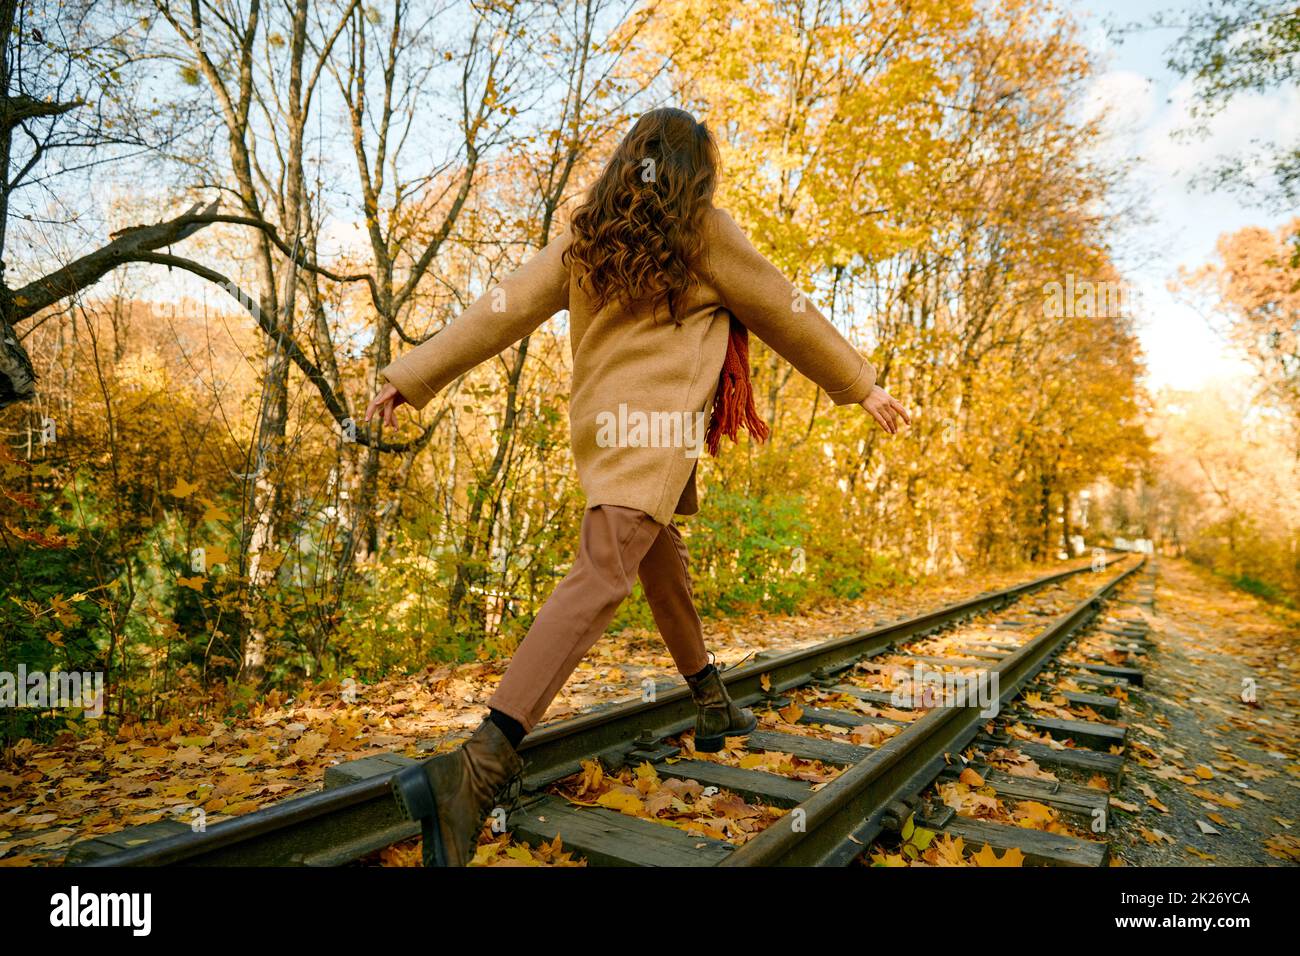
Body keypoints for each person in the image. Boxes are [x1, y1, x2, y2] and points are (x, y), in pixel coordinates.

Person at [364, 107, 910, 866]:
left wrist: (411, 374)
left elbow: (498, 310)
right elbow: (787, 309)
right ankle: (475, 770)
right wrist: (861, 385)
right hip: (653, 434)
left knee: (658, 557)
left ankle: (710, 698)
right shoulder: (705, 233)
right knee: (602, 574)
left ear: (629, 163)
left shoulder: (585, 237)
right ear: (698, 173)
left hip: (607, 432)